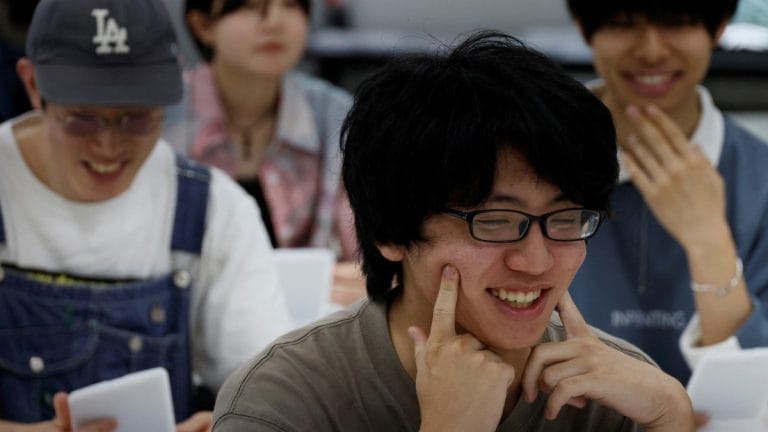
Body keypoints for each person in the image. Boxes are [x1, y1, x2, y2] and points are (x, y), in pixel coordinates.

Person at [210, 31, 695, 431]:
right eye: (496, 222)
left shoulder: (620, 396)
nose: (537, 261)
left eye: (565, 219)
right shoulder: (283, 400)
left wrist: (672, 416)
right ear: (392, 231)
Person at [0, 0, 293, 430]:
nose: (107, 145)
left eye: (136, 118)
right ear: (32, 84)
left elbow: (275, 395)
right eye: (81, 118)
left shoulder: (214, 209)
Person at [565, 0, 768, 385]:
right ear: (583, 26)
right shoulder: (528, 161)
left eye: (677, 22)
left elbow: (754, 391)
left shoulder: (760, 180)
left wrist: (708, 241)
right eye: (622, 22)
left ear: (719, 26)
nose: (651, 50)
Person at [166, 0, 364, 306]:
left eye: (291, 4)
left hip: (307, 322)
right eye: (250, 6)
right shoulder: (161, 120)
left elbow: (369, 259)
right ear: (202, 25)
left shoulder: (338, 116)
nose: (274, 22)